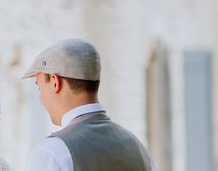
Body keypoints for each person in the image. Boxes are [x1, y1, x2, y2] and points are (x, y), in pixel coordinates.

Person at [22, 38, 151, 171]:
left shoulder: (50, 152)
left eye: (39, 87)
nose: (41, 98)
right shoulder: (139, 149)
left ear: (55, 82)